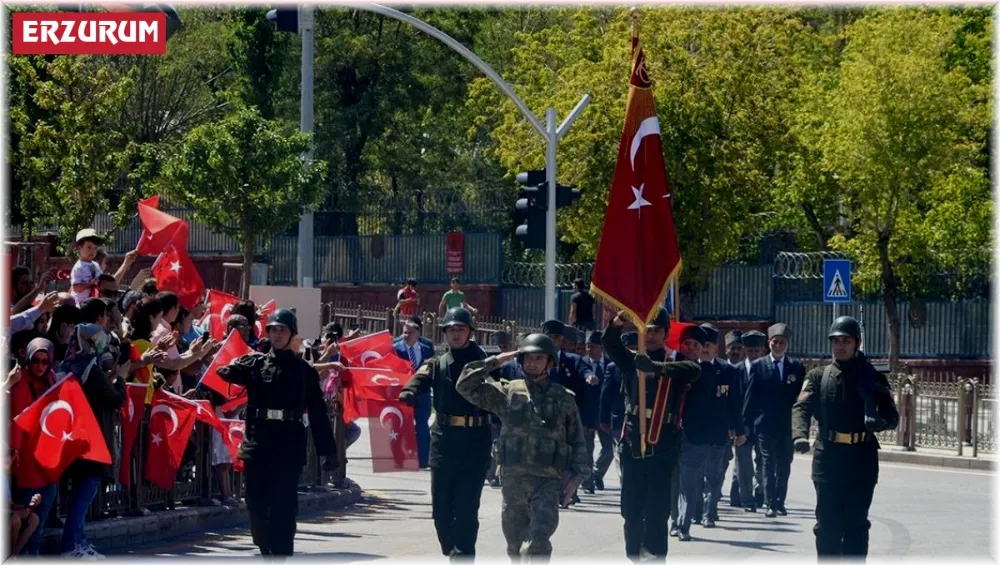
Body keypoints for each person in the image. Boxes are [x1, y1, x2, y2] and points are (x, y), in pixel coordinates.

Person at [455, 333, 591, 560]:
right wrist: (496, 361)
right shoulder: (506, 392)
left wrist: (577, 478)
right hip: (514, 481)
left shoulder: (563, 398)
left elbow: (577, 440)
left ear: (549, 363)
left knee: (537, 541)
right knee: (515, 547)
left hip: (547, 482)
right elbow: (465, 385)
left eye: (539, 358)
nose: (533, 363)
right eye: (528, 358)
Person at [216, 309, 338, 557]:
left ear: (292, 334)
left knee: (283, 506)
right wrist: (236, 362)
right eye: (273, 329)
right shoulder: (256, 363)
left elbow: (318, 414)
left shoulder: (305, 371)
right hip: (258, 442)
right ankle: (264, 547)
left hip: (288, 445)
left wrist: (328, 451)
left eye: (283, 329)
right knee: (255, 502)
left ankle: (281, 554)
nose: (278, 334)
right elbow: (224, 372)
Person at [792, 316, 899, 559]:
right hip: (828, 458)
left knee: (856, 525)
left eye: (846, 340)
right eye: (835, 341)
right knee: (827, 525)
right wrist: (799, 434)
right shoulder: (819, 376)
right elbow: (801, 407)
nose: (840, 346)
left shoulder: (873, 377)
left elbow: (892, 415)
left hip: (861, 460)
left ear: (857, 343)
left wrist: (880, 422)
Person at [602, 308, 701, 562]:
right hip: (634, 441)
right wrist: (619, 321)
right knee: (632, 510)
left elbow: (693, 370)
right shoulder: (631, 359)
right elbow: (609, 343)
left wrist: (656, 368)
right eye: (648, 331)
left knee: (657, 510)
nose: (652, 336)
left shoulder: (675, 361)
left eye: (657, 331)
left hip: (663, 444)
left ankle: (656, 558)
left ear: (666, 334)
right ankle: (634, 557)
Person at [398, 307, 496, 560]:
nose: (456, 334)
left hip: (475, 442)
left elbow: (501, 394)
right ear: (445, 333)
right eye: (451, 329)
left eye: (461, 329)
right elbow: (420, 378)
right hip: (444, 441)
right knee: (441, 510)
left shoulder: (485, 364)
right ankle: (451, 549)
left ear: (471, 332)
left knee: (465, 508)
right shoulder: (437, 363)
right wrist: (409, 392)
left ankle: (463, 555)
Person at [742, 323, 805, 518]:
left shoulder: (796, 366)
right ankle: (769, 502)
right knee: (768, 463)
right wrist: (745, 423)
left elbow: (801, 397)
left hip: (787, 425)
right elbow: (751, 396)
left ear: (787, 344)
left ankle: (780, 502)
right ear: (769, 343)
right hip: (765, 424)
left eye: (782, 342)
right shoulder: (759, 366)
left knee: (784, 464)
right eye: (775, 342)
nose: (778, 345)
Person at [393, 319, 434, 469]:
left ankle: (423, 459)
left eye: (410, 333)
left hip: (422, 394)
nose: (406, 335)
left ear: (418, 334)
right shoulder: (395, 349)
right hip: (403, 392)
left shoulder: (426, 349)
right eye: (404, 332)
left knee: (422, 425)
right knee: (402, 424)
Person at [581, 330, 614, 493]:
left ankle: (596, 473)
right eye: (587, 346)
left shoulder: (610, 364)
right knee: (587, 449)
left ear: (601, 348)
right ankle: (587, 482)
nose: (589, 350)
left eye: (592, 346)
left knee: (609, 449)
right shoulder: (581, 363)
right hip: (587, 415)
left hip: (605, 415)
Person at [70, 229, 105, 306]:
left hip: (95, 302)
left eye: (95, 248)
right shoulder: (78, 267)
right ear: (79, 248)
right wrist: (90, 283)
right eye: (89, 247)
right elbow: (76, 288)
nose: (92, 251)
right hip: (81, 305)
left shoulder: (96, 265)